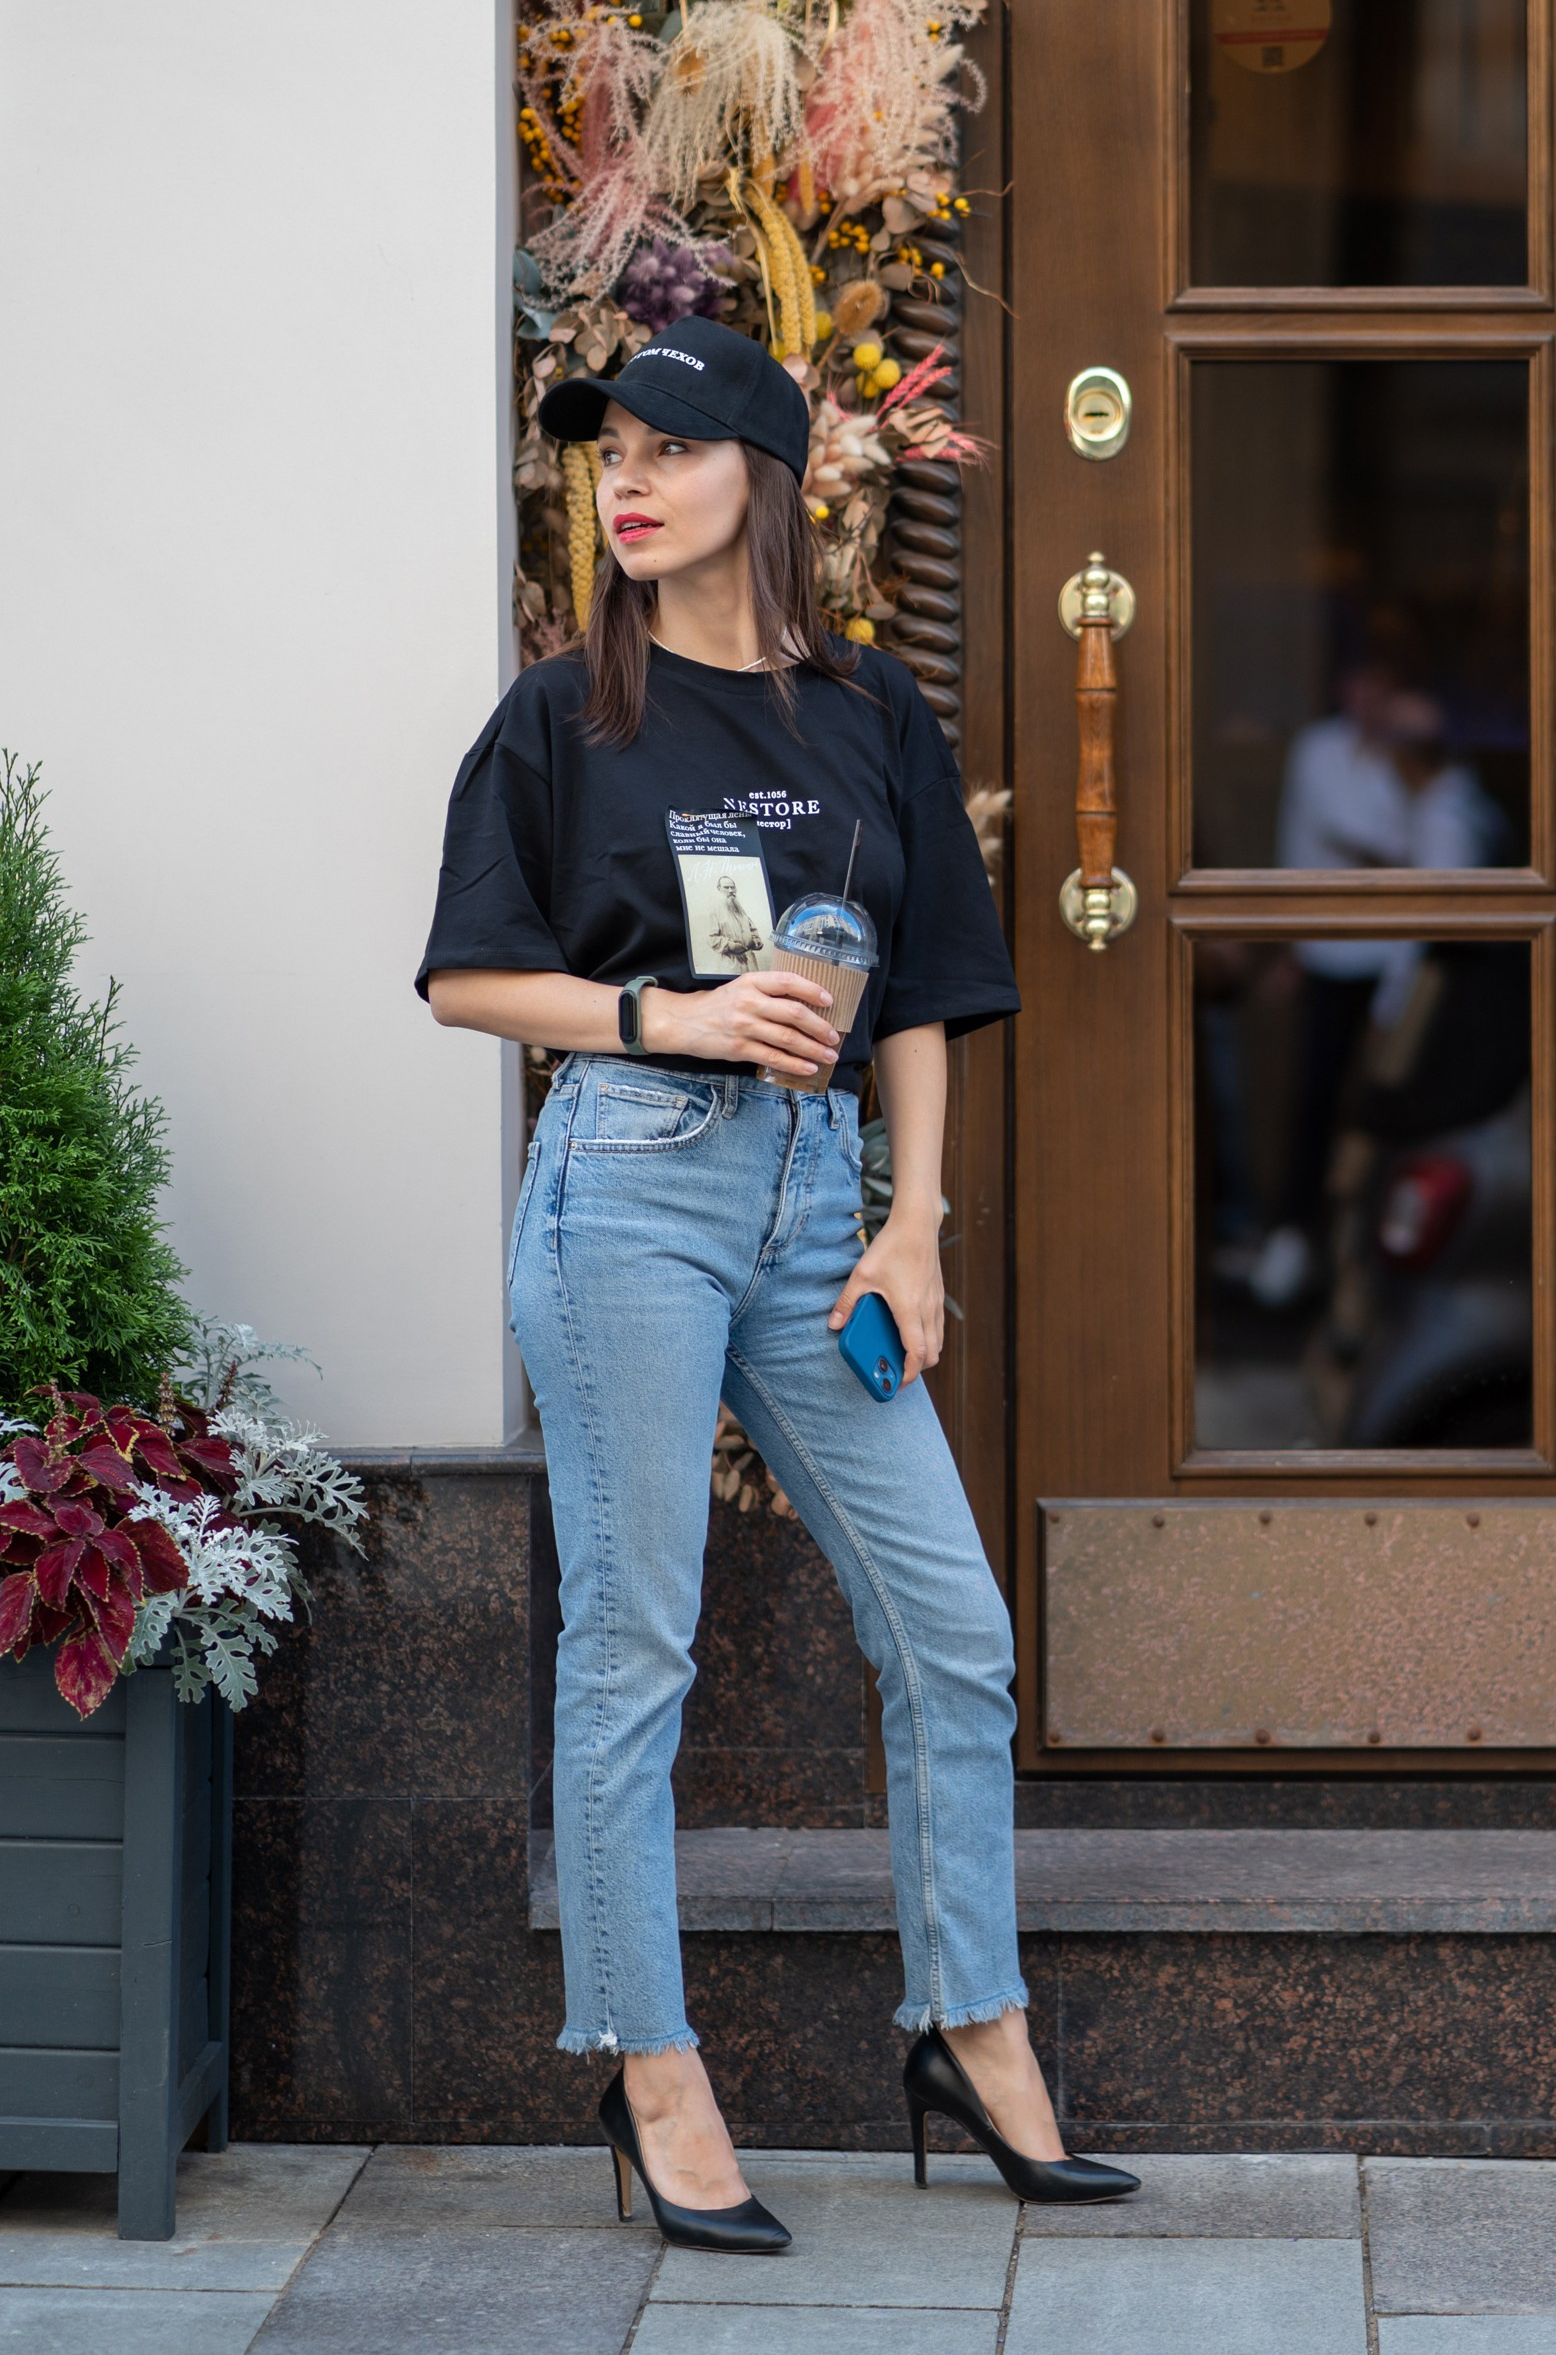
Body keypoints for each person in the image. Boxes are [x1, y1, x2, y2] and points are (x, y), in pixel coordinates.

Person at [420, 319, 1135, 2250]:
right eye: (603, 457)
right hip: (627, 1190)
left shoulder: (868, 716)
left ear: (766, 472)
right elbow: (469, 978)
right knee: (635, 1645)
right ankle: (651, 2069)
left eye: (665, 447)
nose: (624, 482)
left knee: (955, 1635)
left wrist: (911, 1226)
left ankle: (968, 2027)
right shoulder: (562, 716)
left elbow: (920, 996)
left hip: (824, 1215)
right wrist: (671, 1006)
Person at [1249, 667, 1506, 1310]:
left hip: (1410, 976)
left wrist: (1392, 1004)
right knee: (1322, 1103)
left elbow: (1427, 896)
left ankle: (1367, 1266)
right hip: (1342, 959)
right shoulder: (1329, 754)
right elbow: (1323, 845)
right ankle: (1312, 1251)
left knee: (1387, 1116)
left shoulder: (1439, 796)